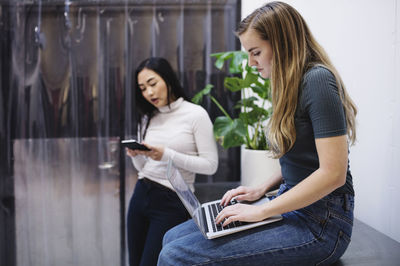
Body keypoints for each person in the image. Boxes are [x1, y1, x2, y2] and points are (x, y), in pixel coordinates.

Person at [158, 2, 357, 265]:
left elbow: (332, 174)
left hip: (322, 224)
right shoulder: (290, 84)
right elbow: (304, 162)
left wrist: (262, 211)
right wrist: (261, 189)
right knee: (171, 238)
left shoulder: (317, 80)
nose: (251, 63)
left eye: (256, 52)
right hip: (293, 204)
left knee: (175, 256)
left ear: (283, 44)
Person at [126, 57, 218, 266]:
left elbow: (211, 165)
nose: (149, 93)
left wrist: (167, 154)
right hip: (141, 193)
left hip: (172, 200)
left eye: (152, 83)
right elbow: (145, 169)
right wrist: (138, 156)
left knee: (155, 261)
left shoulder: (195, 114)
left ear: (167, 79)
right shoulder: (149, 117)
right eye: (142, 88)